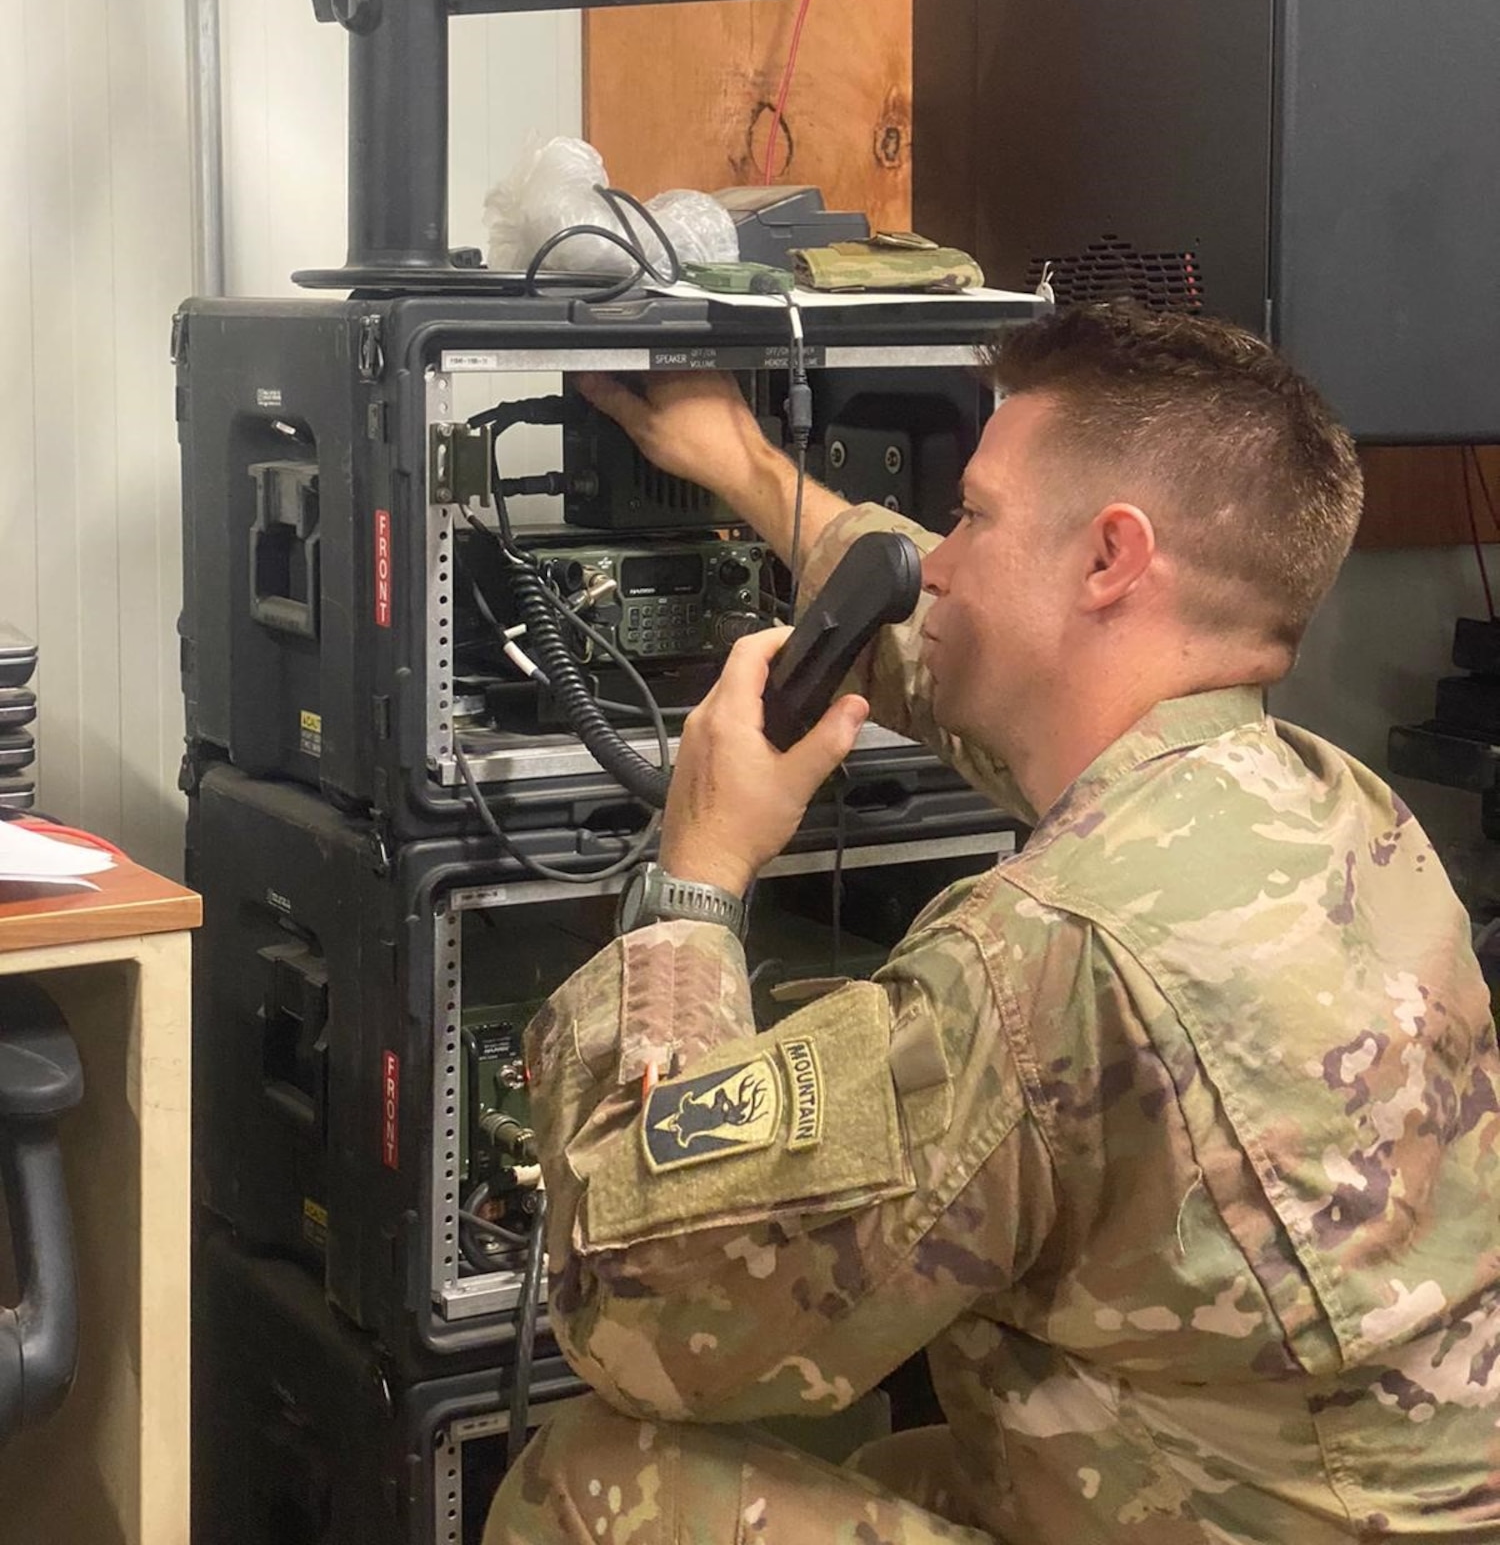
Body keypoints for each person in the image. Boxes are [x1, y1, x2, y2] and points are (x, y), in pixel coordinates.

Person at [485, 303, 1500, 1545]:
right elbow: (953, 646)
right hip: (1308, 1495)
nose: (938, 560)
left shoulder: (1045, 956)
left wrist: (697, 874)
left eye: (971, 515)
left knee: (595, 1474)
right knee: (908, 1446)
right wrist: (747, 467)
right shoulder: (1342, 813)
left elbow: (637, 1310)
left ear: (1111, 559)